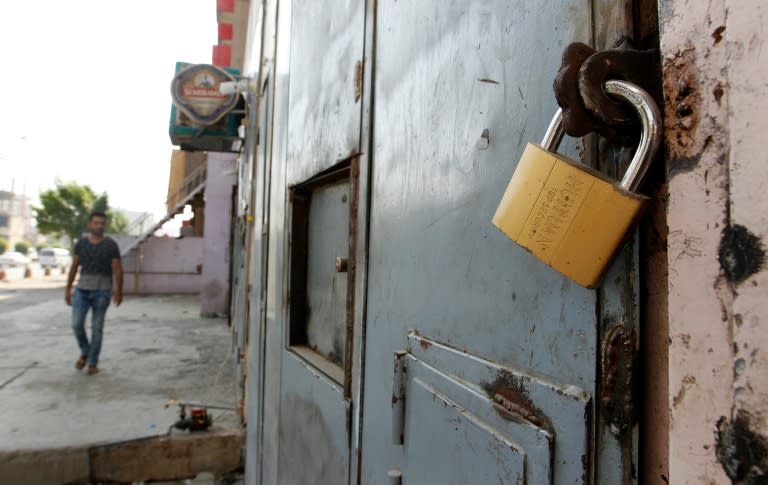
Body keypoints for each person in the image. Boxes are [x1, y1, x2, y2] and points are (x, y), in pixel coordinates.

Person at [65, 211, 123, 375]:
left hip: (102, 292)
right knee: (76, 325)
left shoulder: (111, 245)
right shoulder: (81, 244)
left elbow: (118, 269)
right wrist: (68, 288)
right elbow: (74, 266)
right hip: (82, 290)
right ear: (89, 224)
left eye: (102, 223)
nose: (99, 226)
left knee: (97, 328)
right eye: (96, 223)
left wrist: (119, 291)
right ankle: (85, 350)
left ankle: (92, 362)